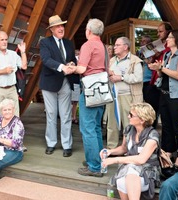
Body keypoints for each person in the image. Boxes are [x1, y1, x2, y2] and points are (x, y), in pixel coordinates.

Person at [148, 30, 178, 167]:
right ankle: (167, 154)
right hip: (164, 94)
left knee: (177, 127)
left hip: (177, 97)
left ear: (177, 40)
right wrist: (158, 69)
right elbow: (163, 75)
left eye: (170, 37)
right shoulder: (167, 54)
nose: (167, 39)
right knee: (166, 126)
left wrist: (161, 68)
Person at [101, 103, 160, 199]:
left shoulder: (153, 135)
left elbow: (141, 159)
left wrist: (115, 160)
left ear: (142, 119)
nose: (128, 116)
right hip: (129, 167)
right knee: (121, 179)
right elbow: (123, 148)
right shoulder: (129, 129)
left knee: (130, 175)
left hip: (147, 171)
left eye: (131, 115)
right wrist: (110, 152)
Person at [70, 18, 106, 177]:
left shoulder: (88, 45)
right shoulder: (103, 46)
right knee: (96, 127)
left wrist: (72, 68)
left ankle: (94, 166)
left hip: (90, 88)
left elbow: (82, 68)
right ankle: (98, 160)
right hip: (102, 89)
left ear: (88, 31)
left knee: (87, 129)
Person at [39, 15, 78, 157]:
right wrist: (62, 67)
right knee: (51, 114)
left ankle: (67, 145)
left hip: (65, 83)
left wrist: (72, 64)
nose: (61, 28)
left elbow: (72, 58)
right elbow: (46, 60)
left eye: (62, 26)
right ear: (51, 30)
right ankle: (51, 143)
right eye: (57, 26)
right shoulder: (45, 42)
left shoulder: (69, 43)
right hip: (49, 83)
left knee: (66, 115)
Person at [105, 37, 143, 149]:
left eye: (117, 45)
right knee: (111, 123)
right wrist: (109, 74)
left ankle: (130, 147)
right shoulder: (111, 61)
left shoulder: (135, 60)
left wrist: (121, 77)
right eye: (115, 45)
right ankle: (111, 148)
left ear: (125, 47)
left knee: (129, 123)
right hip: (113, 96)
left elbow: (138, 78)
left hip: (128, 96)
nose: (114, 47)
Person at [0, 30, 27, 118]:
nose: (5, 42)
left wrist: (23, 52)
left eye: (6, 39)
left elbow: (24, 66)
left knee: (15, 119)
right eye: (2, 40)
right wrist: (3, 71)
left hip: (12, 90)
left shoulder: (13, 54)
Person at [71, 49, 81, 125]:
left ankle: (74, 117)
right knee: (71, 101)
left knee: (75, 101)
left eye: (79, 53)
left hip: (78, 82)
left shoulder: (81, 62)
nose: (77, 55)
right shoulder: (72, 62)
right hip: (72, 82)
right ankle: (70, 117)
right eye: (76, 53)